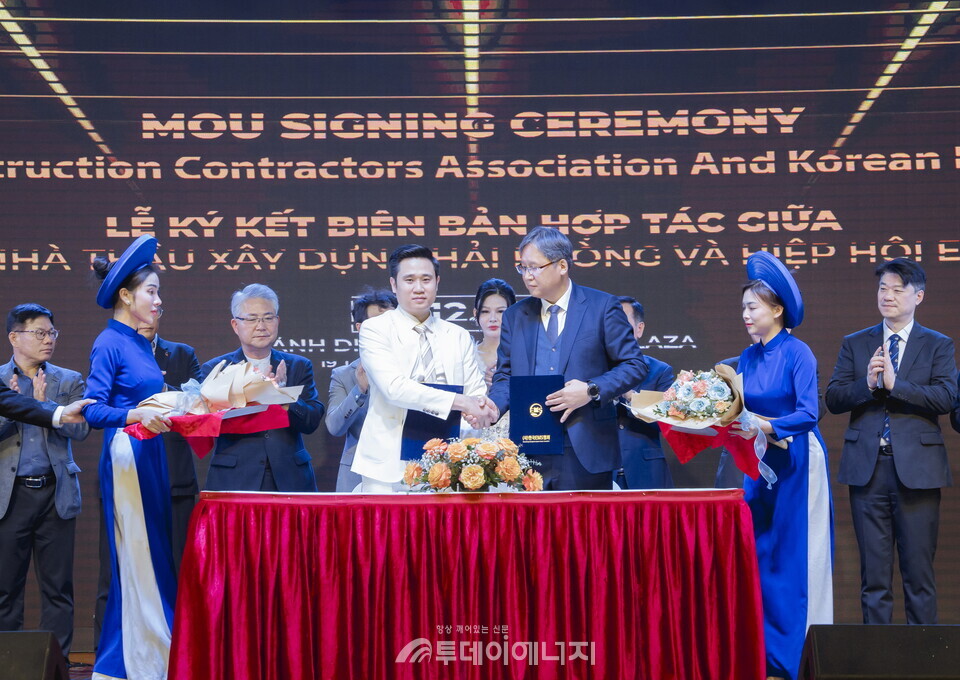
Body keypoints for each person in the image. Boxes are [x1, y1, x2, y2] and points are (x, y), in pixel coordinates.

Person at [825, 258, 957, 625]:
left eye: (898, 289)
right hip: (868, 472)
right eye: (883, 288)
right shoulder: (856, 343)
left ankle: (925, 663)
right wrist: (867, 384)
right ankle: (875, 663)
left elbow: (946, 398)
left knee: (919, 575)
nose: (888, 295)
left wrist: (897, 387)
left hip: (919, 471)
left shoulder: (937, 345)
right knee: (874, 579)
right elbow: (834, 399)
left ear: (919, 296)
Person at [732, 251, 832, 680]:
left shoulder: (798, 353)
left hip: (796, 463)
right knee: (762, 555)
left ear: (776, 309)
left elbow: (810, 412)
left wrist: (767, 423)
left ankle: (801, 659)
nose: (746, 315)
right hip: (758, 464)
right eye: (743, 309)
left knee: (796, 558)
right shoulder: (745, 358)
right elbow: (734, 409)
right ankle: (767, 657)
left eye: (752, 307)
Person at [487, 227, 647, 491]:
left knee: (586, 531)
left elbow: (634, 364)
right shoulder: (515, 316)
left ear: (562, 265)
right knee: (532, 531)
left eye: (534, 267)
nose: (527, 276)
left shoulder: (602, 307)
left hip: (586, 446)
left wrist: (591, 389)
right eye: (522, 268)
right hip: (530, 447)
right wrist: (494, 405)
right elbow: (505, 376)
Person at [84, 234, 177, 680]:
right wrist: (134, 413)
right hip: (127, 456)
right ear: (126, 295)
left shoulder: (140, 342)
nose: (158, 301)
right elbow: (94, 408)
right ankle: (135, 659)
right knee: (136, 555)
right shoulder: (109, 342)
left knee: (155, 552)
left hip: (151, 452)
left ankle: (160, 653)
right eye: (151, 291)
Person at [94, 314, 201, 647]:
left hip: (175, 479)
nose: (148, 314)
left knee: (177, 569)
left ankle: (180, 648)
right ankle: (110, 649)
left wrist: (169, 395)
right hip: (127, 472)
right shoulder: (112, 349)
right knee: (118, 569)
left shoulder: (182, 354)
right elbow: (99, 407)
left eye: (155, 303)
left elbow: (200, 404)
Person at [352, 244, 491, 493]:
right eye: (409, 280)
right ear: (394, 285)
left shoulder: (457, 335)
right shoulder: (376, 330)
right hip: (388, 466)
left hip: (449, 462)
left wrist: (479, 410)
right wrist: (461, 402)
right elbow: (394, 389)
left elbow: (476, 393)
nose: (418, 288)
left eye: (426, 279)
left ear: (437, 282)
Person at [0, 304, 89, 660]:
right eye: (39, 333)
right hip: (10, 496)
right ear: (14, 337)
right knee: (6, 590)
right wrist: (24, 406)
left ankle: (57, 665)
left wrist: (47, 404)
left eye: (52, 333)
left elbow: (81, 430)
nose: (48, 340)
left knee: (58, 589)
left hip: (55, 494)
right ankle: (7, 664)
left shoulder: (68, 379)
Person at [201, 284, 324, 492]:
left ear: (277, 322)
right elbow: (208, 425)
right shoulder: (216, 369)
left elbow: (311, 421)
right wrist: (251, 393)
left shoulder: (298, 365)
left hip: (290, 477)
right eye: (251, 319)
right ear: (235, 324)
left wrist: (283, 398)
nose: (261, 326)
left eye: (268, 318)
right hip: (235, 478)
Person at [325, 288, 396, 492]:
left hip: (409, 469)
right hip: (358, 473)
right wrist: (360, 389)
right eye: (376, 324)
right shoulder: (344, 375)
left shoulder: (416, 369)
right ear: (359, 327)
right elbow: (334, 426)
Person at [614, 296, 674, 490]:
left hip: (646, 472)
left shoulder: (659, 371)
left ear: (639, 329)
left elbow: (667, 421)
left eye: (623, 323)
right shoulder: (588, 370)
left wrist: (631, 396)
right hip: (600, 472)